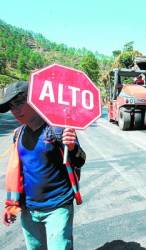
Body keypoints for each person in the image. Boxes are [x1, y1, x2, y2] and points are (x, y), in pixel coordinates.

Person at [1, 81, 86, 249]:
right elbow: (17, 172)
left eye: (19, 103)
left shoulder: (58, 129)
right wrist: (12, 205)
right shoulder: (18, 135)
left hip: (58, 207)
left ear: (34, 100)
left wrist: (72, 147)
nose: (15, 111)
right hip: (29, 210)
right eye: (11, 106)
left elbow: (80, 159)